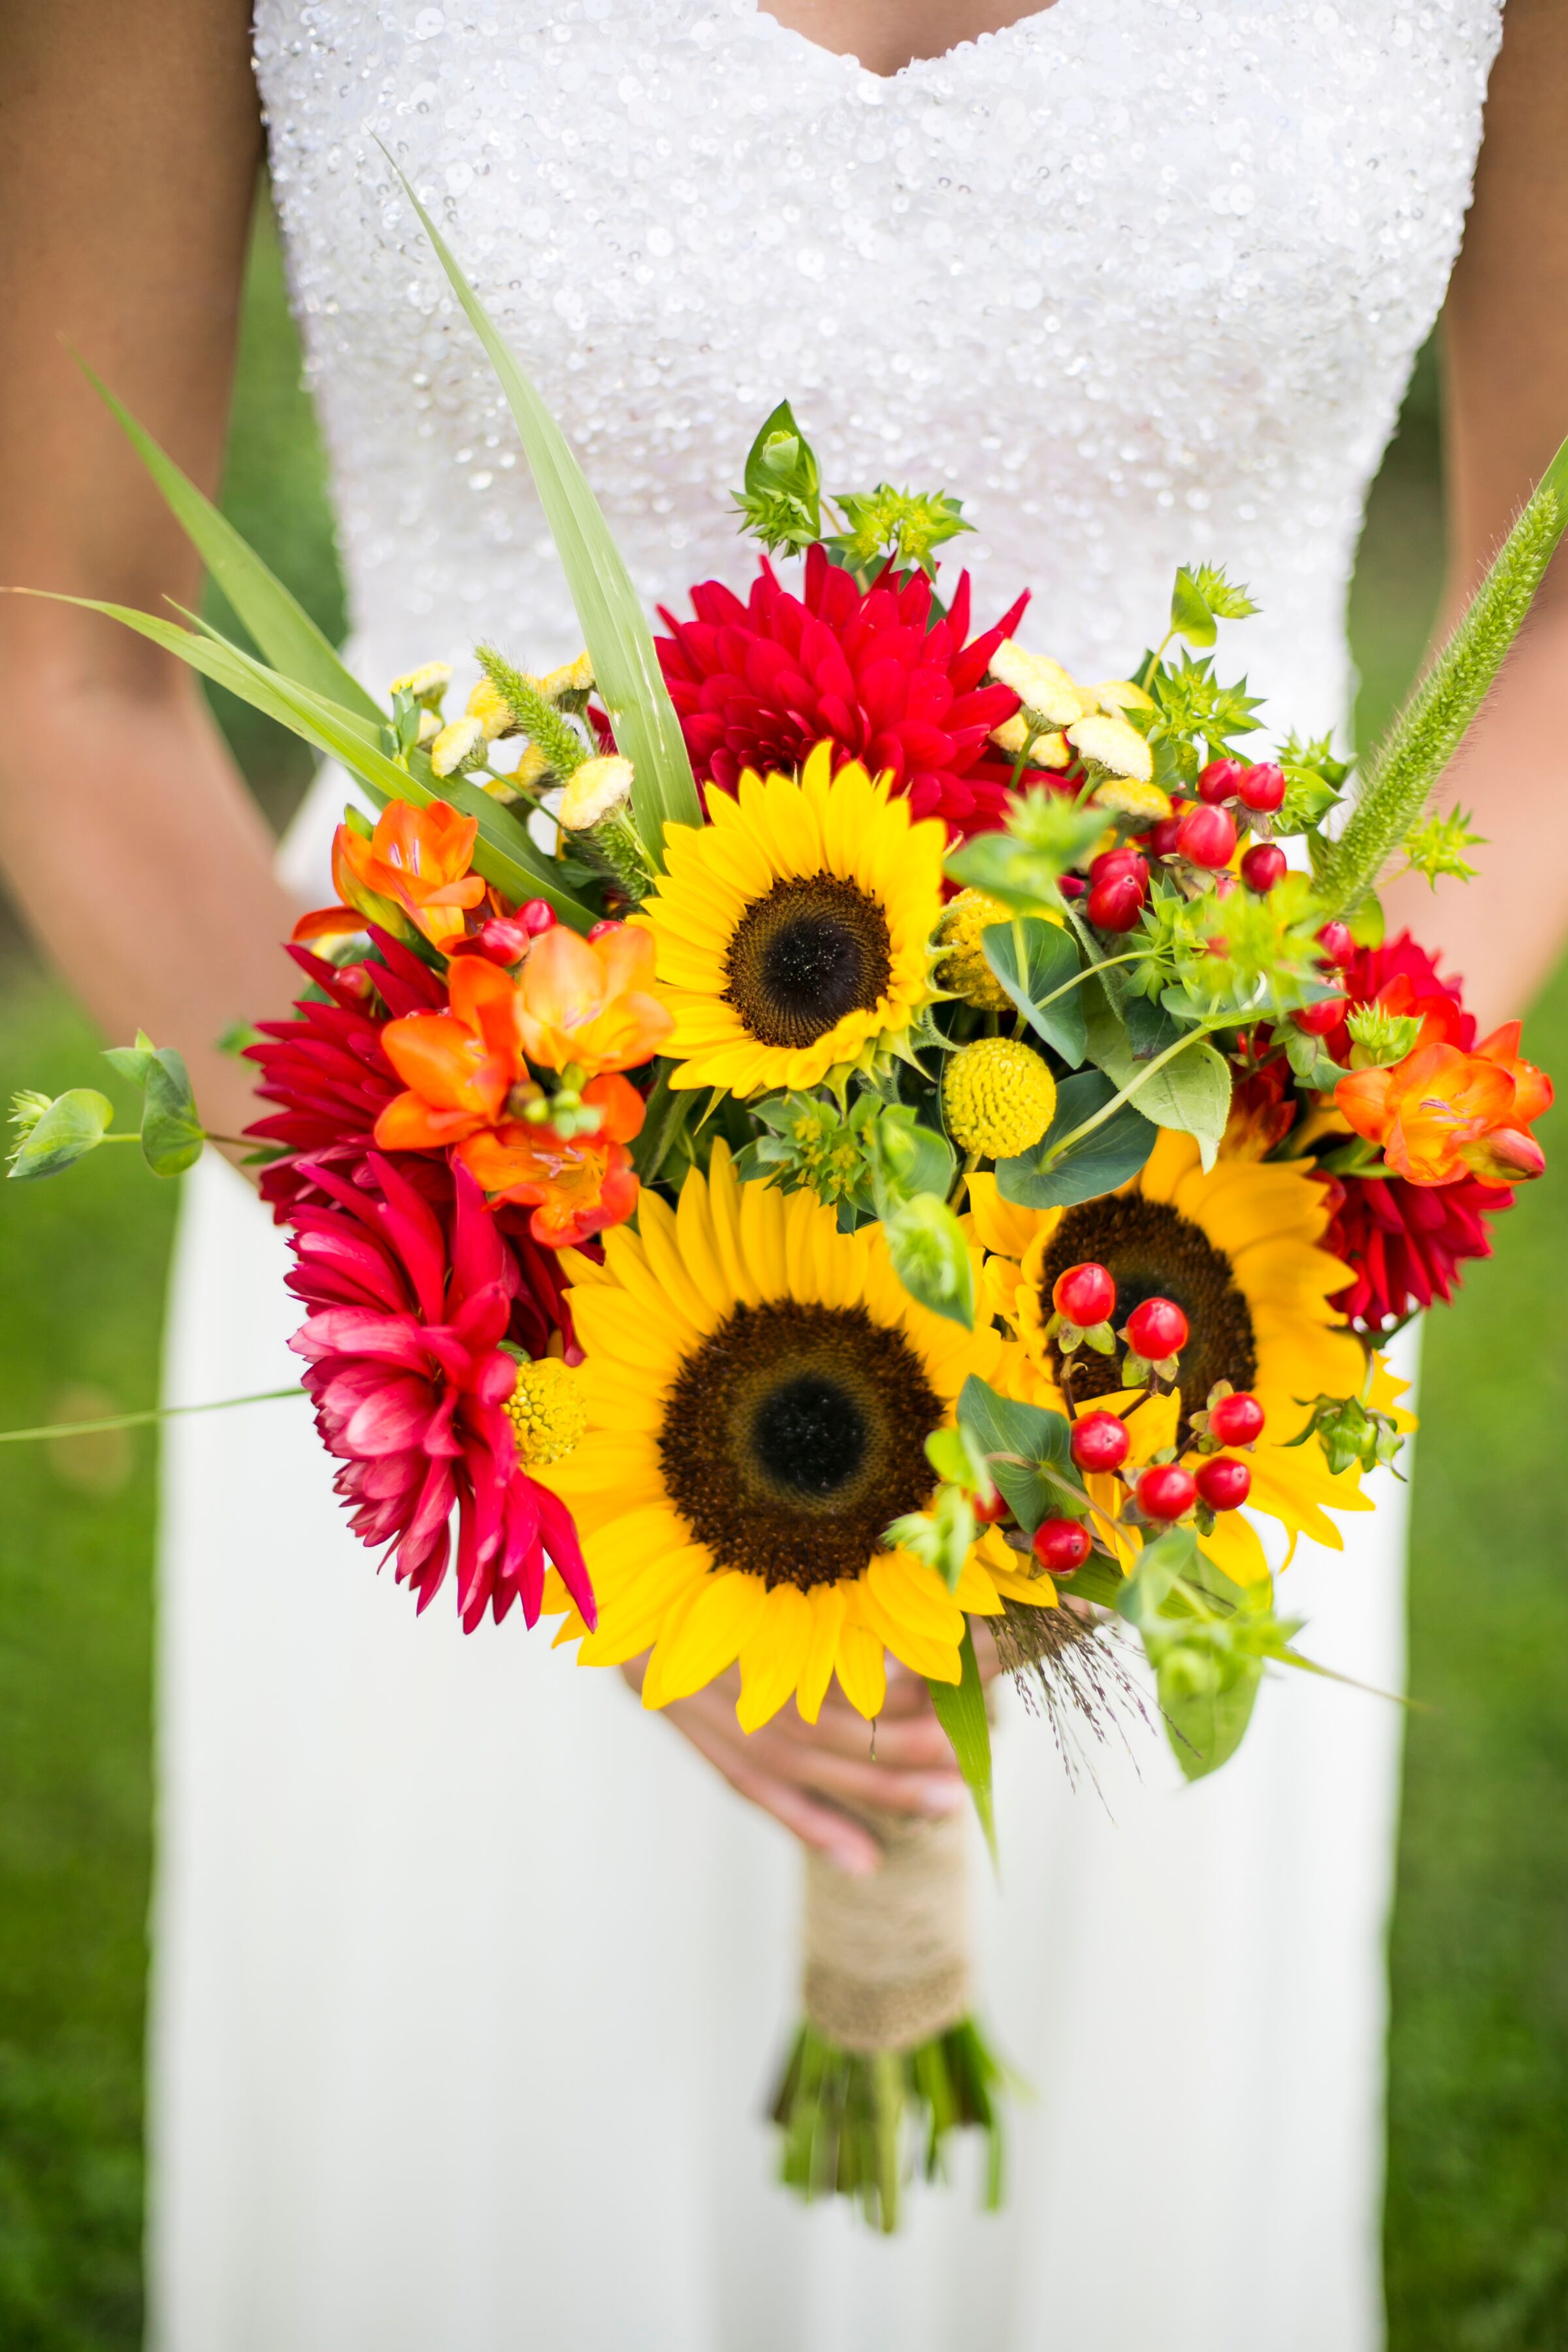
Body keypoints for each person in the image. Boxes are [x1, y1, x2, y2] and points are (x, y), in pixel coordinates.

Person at [2, 2, 1566, 2345]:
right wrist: (561, 1406)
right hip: (453, 1239)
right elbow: (60, 657)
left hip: (1190, 1281)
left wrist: (1226, 1222)